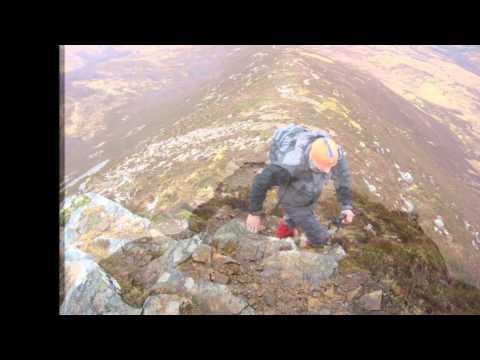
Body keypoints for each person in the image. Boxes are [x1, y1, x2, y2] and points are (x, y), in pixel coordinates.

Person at [245, 125, 355, 248]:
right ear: (312, 158)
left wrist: (346, 205)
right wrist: (254, 213)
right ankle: (285, 245)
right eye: (322, 167)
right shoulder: (288, 166)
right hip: (291, 196)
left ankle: (286, 234)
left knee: (302, 209)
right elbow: (261, 181)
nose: (328, 171)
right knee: (320, 236)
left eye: (330, 167)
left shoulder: (332, 154)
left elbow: (342, 176)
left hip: (310, 187)